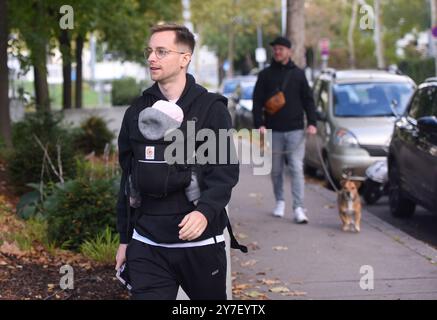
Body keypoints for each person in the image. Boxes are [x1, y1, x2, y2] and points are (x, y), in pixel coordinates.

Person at [115, 23, 242, 300]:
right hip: (147, 243)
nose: (151, 58)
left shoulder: (210, 109)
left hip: (199, 243)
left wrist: (205, 212)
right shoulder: (136, 111)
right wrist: (125, 239)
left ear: (185, 58)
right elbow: (128, 179)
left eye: (161, 51)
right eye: (150, 51)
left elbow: (224, 172)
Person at [252, 36, 317, 223]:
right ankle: (280, 201)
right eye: (275, 49)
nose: (278, 52)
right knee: (276, 169)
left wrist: (312, 122)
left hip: (296, 129)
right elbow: (257, 101)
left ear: (289, 51)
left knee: (296, 167)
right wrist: (259, 124)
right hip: (273, 130)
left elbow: (308, 99)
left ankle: (298, 207)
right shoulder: (265, 75)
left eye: (281, 49)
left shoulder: (298, 74)